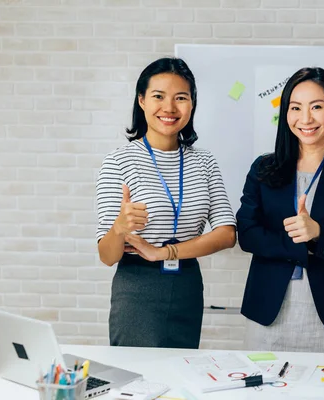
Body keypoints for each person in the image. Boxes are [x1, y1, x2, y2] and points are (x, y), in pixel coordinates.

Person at [96, 57, 236, 349]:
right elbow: (107, 256)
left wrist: (165, 253)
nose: (170, 108)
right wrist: (120, 228)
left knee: (181, 377)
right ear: (142, 100)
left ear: (192, 103)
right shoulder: (118, 162)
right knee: (137, 386)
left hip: (186, 283)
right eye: (158, 96)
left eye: (180, 98)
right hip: (137, 287)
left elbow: (226, 234)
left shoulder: (204, 162)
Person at [237, 67, 324, 353]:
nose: (306, 118)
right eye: (296, 107)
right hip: (269, 307)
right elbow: (248, 234)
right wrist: (317, 237)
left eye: (317, 107)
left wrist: (316, 232)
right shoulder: (264, 169)